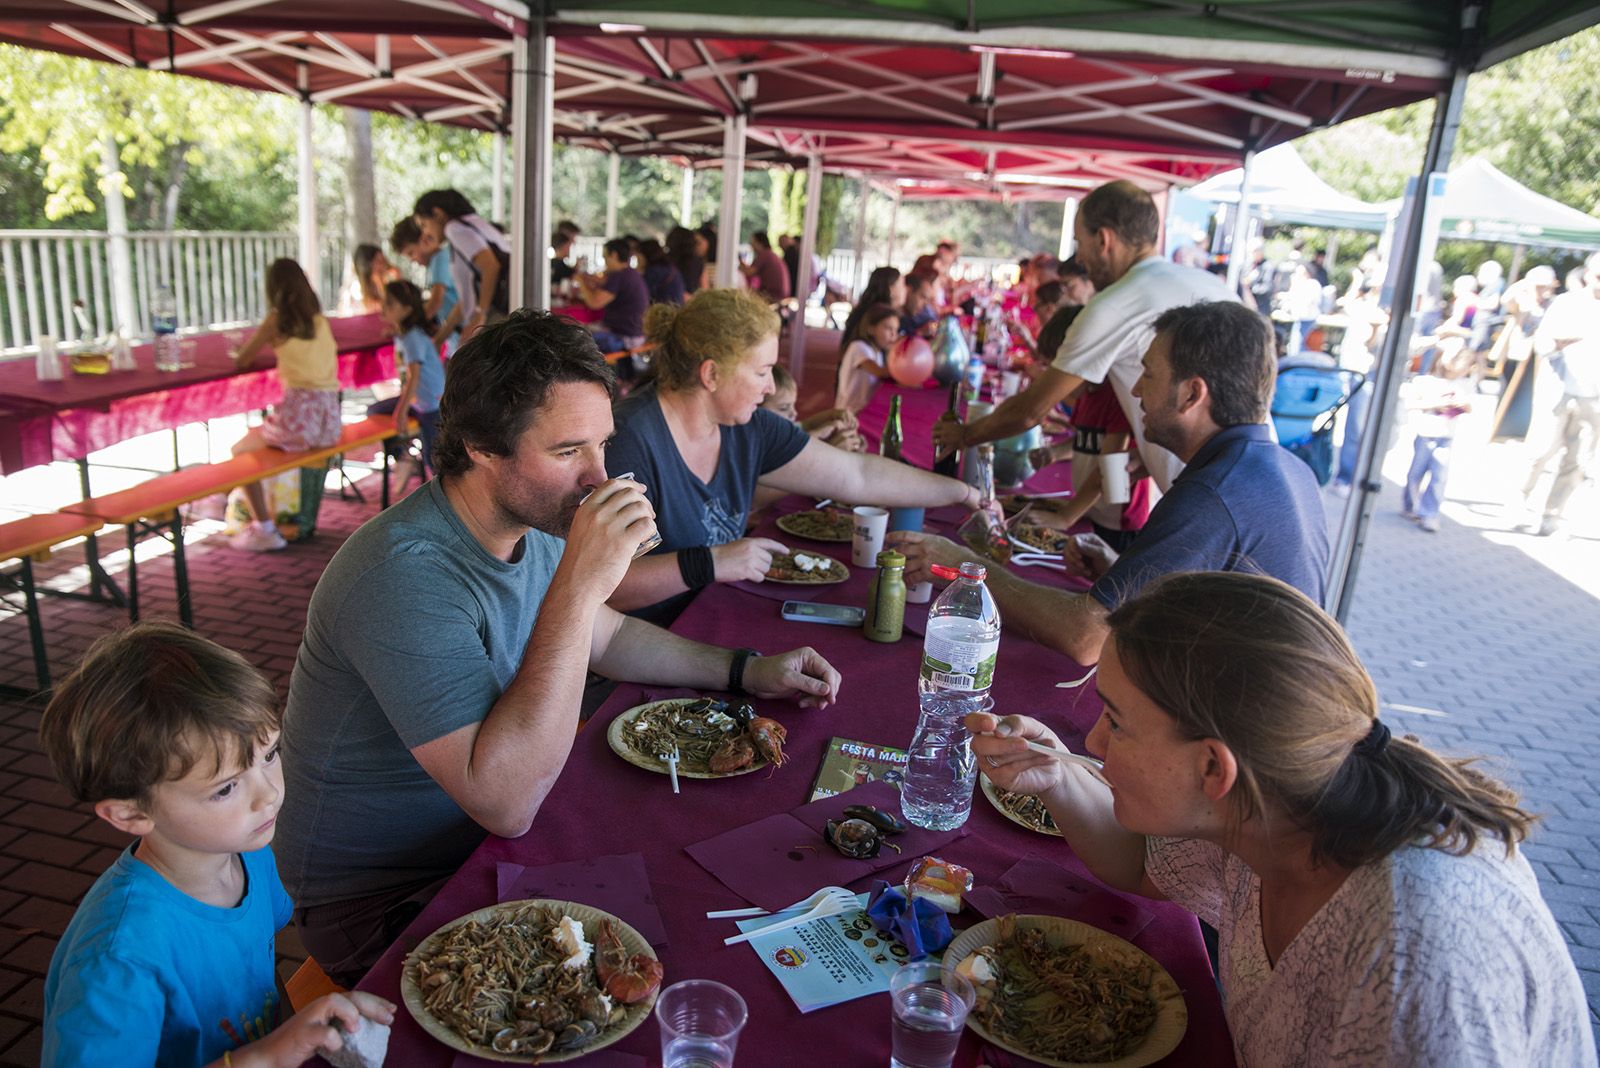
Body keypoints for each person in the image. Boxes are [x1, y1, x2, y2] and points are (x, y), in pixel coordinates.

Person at [276, 310, 841, 985]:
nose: (599, 477)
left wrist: (747, 672)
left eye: (602, 446)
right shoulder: (402, 576)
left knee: (702, 885)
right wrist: (580, 584)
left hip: (481, 839)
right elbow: (506, 802)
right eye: (569, 450)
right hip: (384, 896)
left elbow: (606, 635)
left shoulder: (529, 516)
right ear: (484, 446)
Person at [970, 571, 1593, 1066]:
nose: (1096, 744)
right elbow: (1141, 863)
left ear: (1215, 770)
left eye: (1118, 722)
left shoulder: (1416, 969)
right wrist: (1055, 781)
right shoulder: (1274, 811)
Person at [39, 622, 396, 1067]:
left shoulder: (248, 856)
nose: (269, 794)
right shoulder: (119, 959)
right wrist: (266, 1056)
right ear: (130, 813)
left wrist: (291, 1038)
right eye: (226, 788)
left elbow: (262, 985)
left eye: (269, 755)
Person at [899, 301, 1328, 664]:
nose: (1137, 391)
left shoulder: (1214, 492)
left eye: (1149, 375)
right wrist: (1140, 579)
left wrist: (963, 568)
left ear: (1192, 395)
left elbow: (1086, 637)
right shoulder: (1289, 470)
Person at [604, 287, 985, 624]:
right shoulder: (629, 440)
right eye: (762, 371)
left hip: (711, 614)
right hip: (641, 648)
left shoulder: (746, 424)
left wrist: (964, 493)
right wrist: (711, 562)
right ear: (711, 375)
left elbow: (859, 476)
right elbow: (607, 587)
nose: (770, 386)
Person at [933, 180, 1236, 494]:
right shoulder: (1212, 285)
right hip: (1241, 477)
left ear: (1103, 239)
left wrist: (964, 435)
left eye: (1080, 243)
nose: (1080, 260)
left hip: (1200, 496)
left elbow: (1031, 411)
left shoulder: (1114, 304)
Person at [227, 259, 341, 552]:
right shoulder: (319, 320)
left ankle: (264, 528)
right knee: (258, 444)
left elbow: (243, 359)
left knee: (240, 452)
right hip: (329, 419)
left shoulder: (276, 321)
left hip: (300, 418)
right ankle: (259, 517)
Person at [1521, 252, 1600, 536]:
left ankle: (1552, 515)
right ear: (1588, 275)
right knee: (1540, 451)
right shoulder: (1567, 303)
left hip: (1594, 398)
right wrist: (1557, 342)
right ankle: (1520, 500)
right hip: (1559, 389)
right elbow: (1541, 343)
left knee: (1578, 460)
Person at [365, 279, 445, 482]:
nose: (383, 307)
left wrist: (400, 410)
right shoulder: (404, 334)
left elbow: (414, 376)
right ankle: (404, 457)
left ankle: (445, 501)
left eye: (390, 304)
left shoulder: (412, 338)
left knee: (433, 458)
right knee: (374, 411)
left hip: (431, 405)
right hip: (418, 401)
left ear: (407, 310)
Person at [413, 189, 510, 342]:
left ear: (438, 214)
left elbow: (491, 266)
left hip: (494, 319)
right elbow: (467, 299)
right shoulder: (474, 224)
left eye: (424, 225)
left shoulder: (454, 229)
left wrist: (480, 315)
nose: (425, 233)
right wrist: (440, 339)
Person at [1400, 343, 1473, 533]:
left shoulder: (1463, 385)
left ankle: (1429, 513)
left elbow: (1469, 406)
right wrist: (1436, 403)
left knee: (1439, 476)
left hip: (1446, 436)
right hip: (1425, 433)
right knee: (1416, 472)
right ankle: (1410, 505)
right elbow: (1411, 403)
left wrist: (1461, 404)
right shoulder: (1425, 381)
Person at [390, 216, 460, 355]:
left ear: (424, 240)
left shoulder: (439, 260)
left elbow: (435, 302)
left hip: (461, 336)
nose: (413, 260)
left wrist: (408, 326)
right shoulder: (440, 259)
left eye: (411, 253)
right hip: (455, 336)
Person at [577, 237, 650, 360]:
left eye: (605, 257)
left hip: (625, 338)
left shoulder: (619, 276)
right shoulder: (631, 274)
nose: (604, 261)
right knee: (581, 329)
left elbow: (594, 303)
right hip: (635, 334)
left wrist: (581, 282)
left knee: (576, 339)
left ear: (614, 255)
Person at [835, 302, 899, 413]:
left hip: (863, 411)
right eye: (888, 328)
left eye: (896, 330)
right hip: (848, 414)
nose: (893, 335)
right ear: (871, 329)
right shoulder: (859, 347)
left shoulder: (878, 353)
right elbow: (879, 372)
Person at [840, 266, 906, 350]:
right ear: (891, 288)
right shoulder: (876, 315)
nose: (905, 289)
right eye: (902, 285)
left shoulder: (867, 309)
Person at [344, 244, 397, 315]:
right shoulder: (356, 290)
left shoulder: (389, 279)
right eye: (379, 262)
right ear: (368, 265)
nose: (384, 265)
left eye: (384, 260)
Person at [741, 230, 790, 303]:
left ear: (759, 243)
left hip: (774, 295)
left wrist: (737, 264)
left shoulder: (764, 254)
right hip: (781, 294)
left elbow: (749, 272)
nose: (751, 244)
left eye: (753, 241)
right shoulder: (770, 254)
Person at [638, 237, 686, 307]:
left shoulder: (653, 272)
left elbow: (642, 294)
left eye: (639, 257)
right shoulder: (670, 267)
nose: (638, 260)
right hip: (676, 309)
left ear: (646, 255)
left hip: (662, 311)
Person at [899, 270, 940, 339]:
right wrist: (919, 333)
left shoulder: (912, 318)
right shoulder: (892, 318)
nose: (925, 305)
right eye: (923, 297)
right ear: (909, 291)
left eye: (928, 300)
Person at [667, 225, 706, 296]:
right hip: (692, 302)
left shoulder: (666, 261)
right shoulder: (697, 262)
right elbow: (705, 288)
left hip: (669, 301)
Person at [1241, 245, 1276, 316]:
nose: (1253, 255)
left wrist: (1251, 287)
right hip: (1246, 303)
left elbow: (1267, 287)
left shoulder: (1268, 266)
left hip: (1261, 305)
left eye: (1255, 252)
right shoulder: (1248, 264)